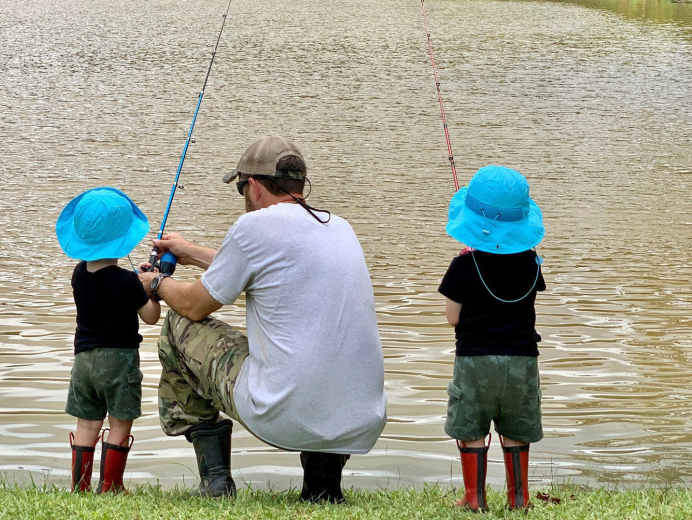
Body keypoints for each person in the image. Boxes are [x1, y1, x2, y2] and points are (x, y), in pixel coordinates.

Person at [138, 136, 387, 502]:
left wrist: (156, 282)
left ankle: (216, 481)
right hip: (359, 418)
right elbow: (270, 263)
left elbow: (193, 305)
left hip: (282, 412)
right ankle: (322, 486)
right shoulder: (340, 227)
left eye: (240, 187)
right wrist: (187, 251)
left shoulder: (252, 227)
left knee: (178, 326)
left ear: (253, 186)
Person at [438, 165, 546, 512]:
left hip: (474, 361)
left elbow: (452, 317)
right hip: (522, 361)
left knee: (470, 428)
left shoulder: (464, 266)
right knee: (516, 427)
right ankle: (519, 499)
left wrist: (467, 261)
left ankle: (474, 499)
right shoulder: (532, 264)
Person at [55, 187, 161, 493]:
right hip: (119, 362)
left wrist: (136, 282)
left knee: (87, 423)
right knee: (119, 422)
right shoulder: (127, 282)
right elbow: (151, 316)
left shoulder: (78, 274)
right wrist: (151, 287)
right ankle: (112, 486)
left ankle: (80, 487)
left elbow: (107, 286)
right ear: (123, 238)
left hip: (83, 361)